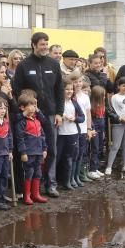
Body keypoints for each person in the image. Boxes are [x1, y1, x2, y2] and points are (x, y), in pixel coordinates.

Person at [13, 32, 65, 197]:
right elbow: (16, 91)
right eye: (42, 44)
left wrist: (59, 112)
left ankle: (51, 184)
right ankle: (32, 187)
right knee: (32, 152)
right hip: (30, 116)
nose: (45, 47)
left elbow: (59, 90)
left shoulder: (54, 64)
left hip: (49, 114)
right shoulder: (23, 66)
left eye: (46, 44)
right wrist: (23, 110)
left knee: (51, 149)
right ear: (34, 45)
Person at [15, 91, 48, 204]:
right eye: (30, 105)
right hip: (28, 153)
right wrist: (23, 152)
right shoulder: (21, 122)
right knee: (28, 173)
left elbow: (42, 135)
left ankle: (36, 194)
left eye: (34, 105)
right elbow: (20, 138)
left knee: (38, 173)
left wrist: (44, 149)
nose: (33, 108)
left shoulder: (37, 120)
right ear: (22, 107)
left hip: (39, 151)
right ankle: (27, 196)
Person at [105, 77, 125, 175]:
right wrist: (119, 118)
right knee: (115, 145)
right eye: (123, 86)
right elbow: (110, 111)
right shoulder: (114, 98)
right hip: (118, 124)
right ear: (118, 86)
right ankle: (109, 166)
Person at [55, 78, 84, 190]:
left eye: (71, 89)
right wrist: (61, 116)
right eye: (67, 89)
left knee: (69, 158)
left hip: (73, 133)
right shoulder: (59, 103)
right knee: (57, 157)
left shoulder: (74, 102)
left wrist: (75, 118)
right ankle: (55, 181)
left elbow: (82, 117)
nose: (69, 91)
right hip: (61, 133)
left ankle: (67, 181)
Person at [87, 85, 107, 179]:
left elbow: (103, 118)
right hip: (95, 126)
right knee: (94, 148)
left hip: (101, 127)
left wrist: (103, 132)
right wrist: (92, 129)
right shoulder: (91, 106)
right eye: (102, 96)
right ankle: (92, 169)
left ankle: (96, 167)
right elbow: (91, 120)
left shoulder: (102, 105)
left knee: (99, 147)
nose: (104, 97)